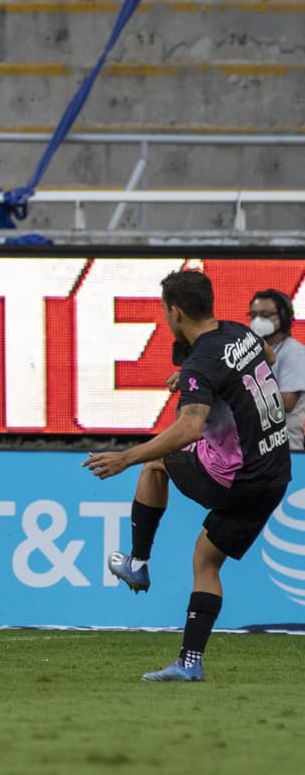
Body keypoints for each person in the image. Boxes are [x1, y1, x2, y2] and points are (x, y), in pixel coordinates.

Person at [84, 270, 290, 682]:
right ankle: (189, 663)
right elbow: (267, 358)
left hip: (236, 478)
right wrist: (209, 380)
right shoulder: (239, 332)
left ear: (175, 312)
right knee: (205, 561)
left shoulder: (200, 361)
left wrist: (125, 457)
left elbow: (189, 428)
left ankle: (138, 563)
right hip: (275, 473)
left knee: (153, 464)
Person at [248, 289, 305, 450]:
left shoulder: (294, 352)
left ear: (283, 317)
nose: (257, 320)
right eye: (253, 315)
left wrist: (236, 398)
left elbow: (287, 402)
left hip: (286, 450)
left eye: (265, 315)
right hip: (255, 450)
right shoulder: (251, 354)